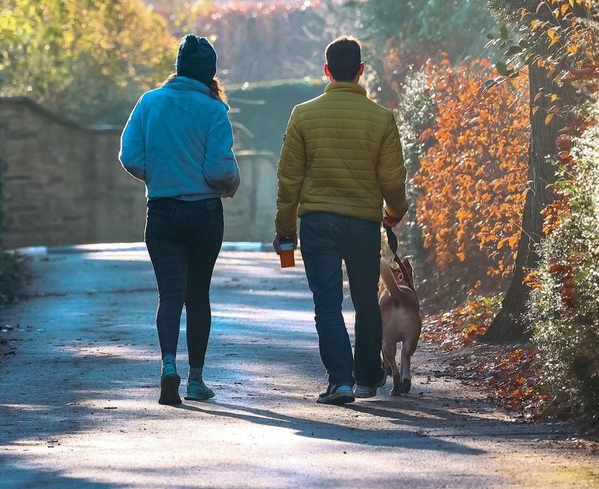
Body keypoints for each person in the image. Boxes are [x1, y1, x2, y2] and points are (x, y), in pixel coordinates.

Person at [273, 35, 408, 405]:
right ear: (361, 71)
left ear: (327, 71)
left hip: (317, 222)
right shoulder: (381, 118)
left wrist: (285, 230)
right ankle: (367, 377)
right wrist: (394, 213)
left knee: (327, 304)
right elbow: (393, 179)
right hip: (364, 223)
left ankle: (340, 381)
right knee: (366, 299)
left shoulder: (303, 114)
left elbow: (289, 180)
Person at [119, 33, 241, 406]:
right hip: (204, 213)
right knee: (198, 295)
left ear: (178, 67)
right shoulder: (213, 109)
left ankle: (168, 366)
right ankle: (196, 380)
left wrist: (160, 177)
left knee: (169, 295)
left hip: (162, 212)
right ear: (210, 73)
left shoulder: (149, 102)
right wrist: (230, 183)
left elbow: (129, 155)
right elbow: (219, 167)